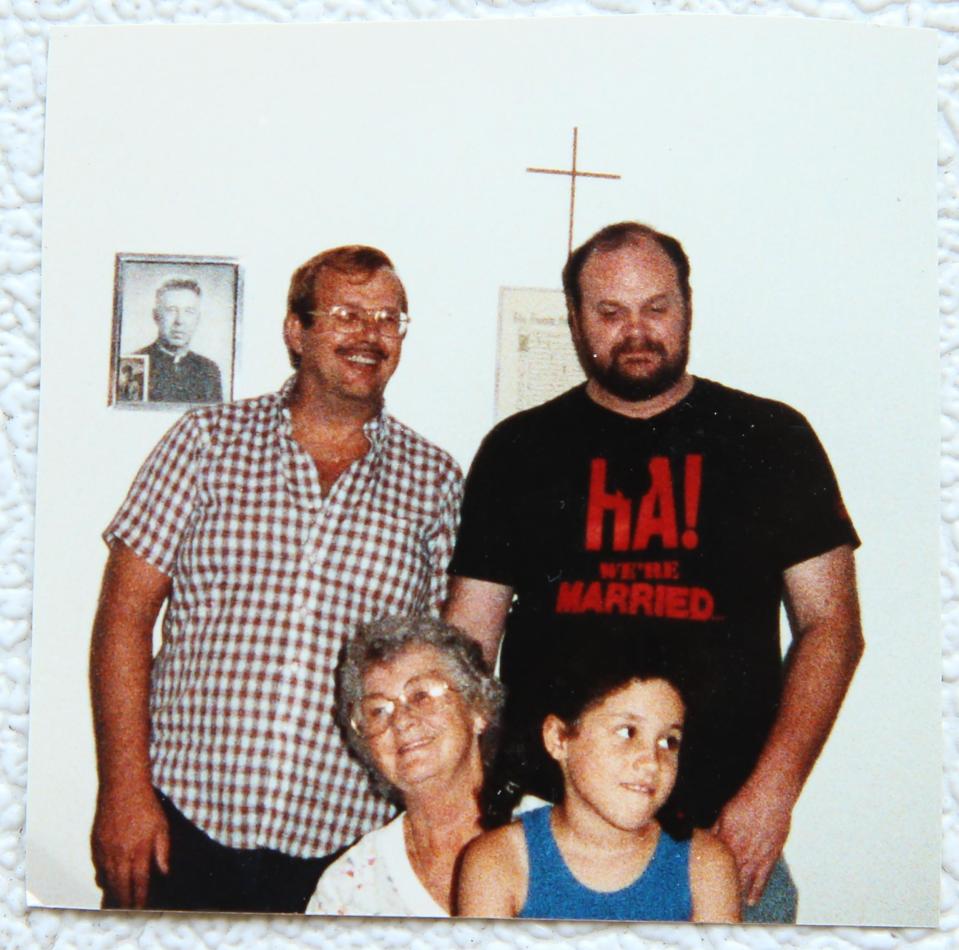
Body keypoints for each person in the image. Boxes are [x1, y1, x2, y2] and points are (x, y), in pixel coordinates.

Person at [445, 221, 864, 922]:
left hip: (722, 834)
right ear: (576, 321)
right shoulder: (518, 450)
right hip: (544, 838)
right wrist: (460, 803)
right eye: (609, 313)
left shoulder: (771, 439)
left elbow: (833, 626)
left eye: (656, 307)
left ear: (687, 306)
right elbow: (467, 644)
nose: (634, 331)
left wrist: (773, 794)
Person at [90, 246, 463, 912]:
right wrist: (123, 790)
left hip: (346, 851)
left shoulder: (433, 482)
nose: (369, 335)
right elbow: (124, 616)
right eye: (346, 313)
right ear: (297, 331)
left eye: (388, 318)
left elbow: (448, 675)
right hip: (179, 822)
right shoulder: (206, 442)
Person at [457, 642, 740, 922]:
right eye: (628, 732)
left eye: (669, 741)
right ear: (558, 739)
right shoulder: (499, 862)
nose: (652, 761)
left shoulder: (704, 866)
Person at [307, 614, 532, 917]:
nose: (401, 720)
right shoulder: (349, 888)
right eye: (378, 711)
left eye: (422, 695)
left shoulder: (557, 839)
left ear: (477, 708)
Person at [135, 277, 223, 403]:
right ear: (155, 316)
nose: (180, 321)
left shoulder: (209, 370)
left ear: (198, 319)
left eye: (189, 311)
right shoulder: (136, 364)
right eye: (171, 310)